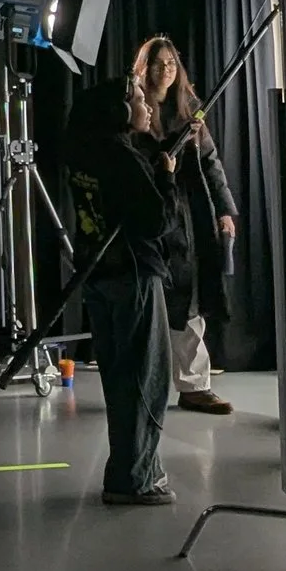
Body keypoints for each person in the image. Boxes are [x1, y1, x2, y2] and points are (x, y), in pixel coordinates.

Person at [65, 75, 180, 505]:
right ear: (117, 110)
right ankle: (138, 478)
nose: (147, 104)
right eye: (137, 98)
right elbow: (156, 221)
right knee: (146, 379)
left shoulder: (83, 153)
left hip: (99, 276)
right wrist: (167, 177)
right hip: (134, 275)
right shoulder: (121, 156)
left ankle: (125, 472)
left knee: (118, 378)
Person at [128, 35, 241, 417]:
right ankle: (145, 384)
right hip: (148, 215)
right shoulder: (134, 108)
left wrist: (225, 210)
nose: (165, 71)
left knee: (190, 301)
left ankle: (194, 386)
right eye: (158, 64)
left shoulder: (189, 108)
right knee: (152, 301)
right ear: (144, 68)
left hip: (188, 217)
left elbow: (210, 162)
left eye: (171, 64)